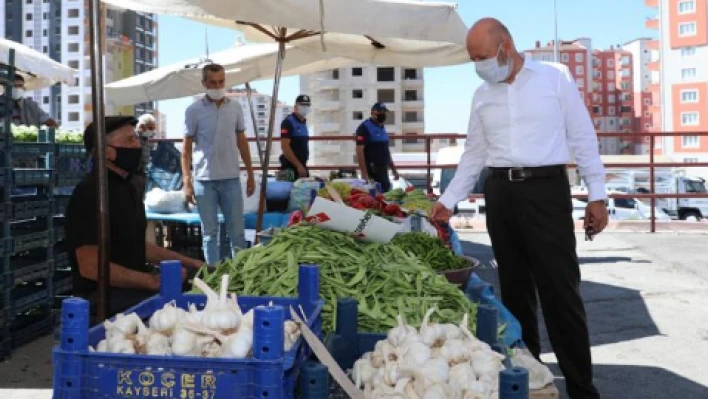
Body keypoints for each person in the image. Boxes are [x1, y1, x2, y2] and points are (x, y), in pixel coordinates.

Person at [430, 19, 607, 399]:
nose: (478, 65)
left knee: (561, 293)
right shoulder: (481, 95)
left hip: (546, 192)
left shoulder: (554, 78)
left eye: (481, 56)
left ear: (505, 47)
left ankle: (581, 388)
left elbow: (582, 136)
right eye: (473, 59)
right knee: (514, 292)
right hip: (500, 195)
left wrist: (598, 194)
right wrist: (447, 200)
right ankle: (530, 382)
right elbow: (474, 154)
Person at [65, 116, 203, 321]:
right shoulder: (91, 193)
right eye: (129, 141)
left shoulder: (127, 187)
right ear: (107, 152)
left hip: (133, 290)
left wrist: (192, 263)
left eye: (136, 139)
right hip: (104, 299)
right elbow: (90, 265)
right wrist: (152, 282)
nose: (137, 145)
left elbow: (138, 246)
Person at [181, 63, 256, 266]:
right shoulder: (193, 110)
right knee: (209, 234)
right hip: (204, 180)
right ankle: (213, 276)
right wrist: (187, 181)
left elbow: (242, 141)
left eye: (221, 81)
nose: (217, 86)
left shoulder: (236, 107)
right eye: (213, 82)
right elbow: (186, 149)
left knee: (237, 233)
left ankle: (240, 275)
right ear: (204, 83)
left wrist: (250, 173)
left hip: (231, 178)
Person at [355, 102, 400, 192]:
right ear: (373, 113)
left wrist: (394, 169)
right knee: (377, 194)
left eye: (384, 112)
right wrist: (364, 174)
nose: (383, 115)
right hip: (373, 168)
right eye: (380, 112)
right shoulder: (365, 127)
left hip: (383, 169)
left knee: (386, 191)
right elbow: (359, 150)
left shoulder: (382, 127)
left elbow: (386, 150)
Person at [279, 95, 311, 181]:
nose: (305, 107)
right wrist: (298, 166)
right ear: (295, 107)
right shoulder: (288, 122)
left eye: (307, 105)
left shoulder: (303, 123)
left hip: (302, 166)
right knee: (286, 193)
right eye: (302, 105)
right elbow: (285, 147)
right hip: (289, 168)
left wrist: (301, 166)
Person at [132, 113, 157, 199]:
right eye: (150, 128)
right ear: (142, 126)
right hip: (131, 175)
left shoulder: (147, 140)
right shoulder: (132, 138)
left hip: (142, 174)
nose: (152, 131)